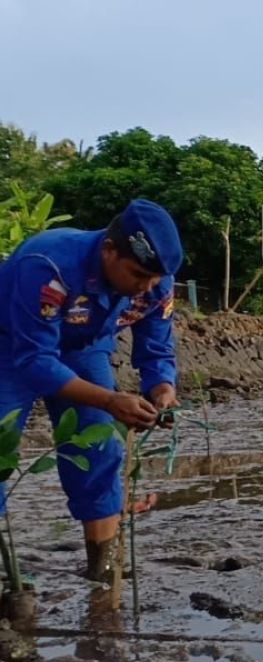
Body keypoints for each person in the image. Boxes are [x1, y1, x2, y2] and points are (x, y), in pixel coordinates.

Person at [0, 199, 182, 583]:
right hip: (12, 345)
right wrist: (112, 400)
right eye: (137, 275)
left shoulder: (155, 280)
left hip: (85, 348)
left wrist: (162, 387)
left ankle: (104, 570)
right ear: (109, 249)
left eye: (153, 280)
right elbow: (35, 360)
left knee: (99, 445)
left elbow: (156, 347)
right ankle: (10, 582)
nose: (145, 287)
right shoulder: (48, 265)